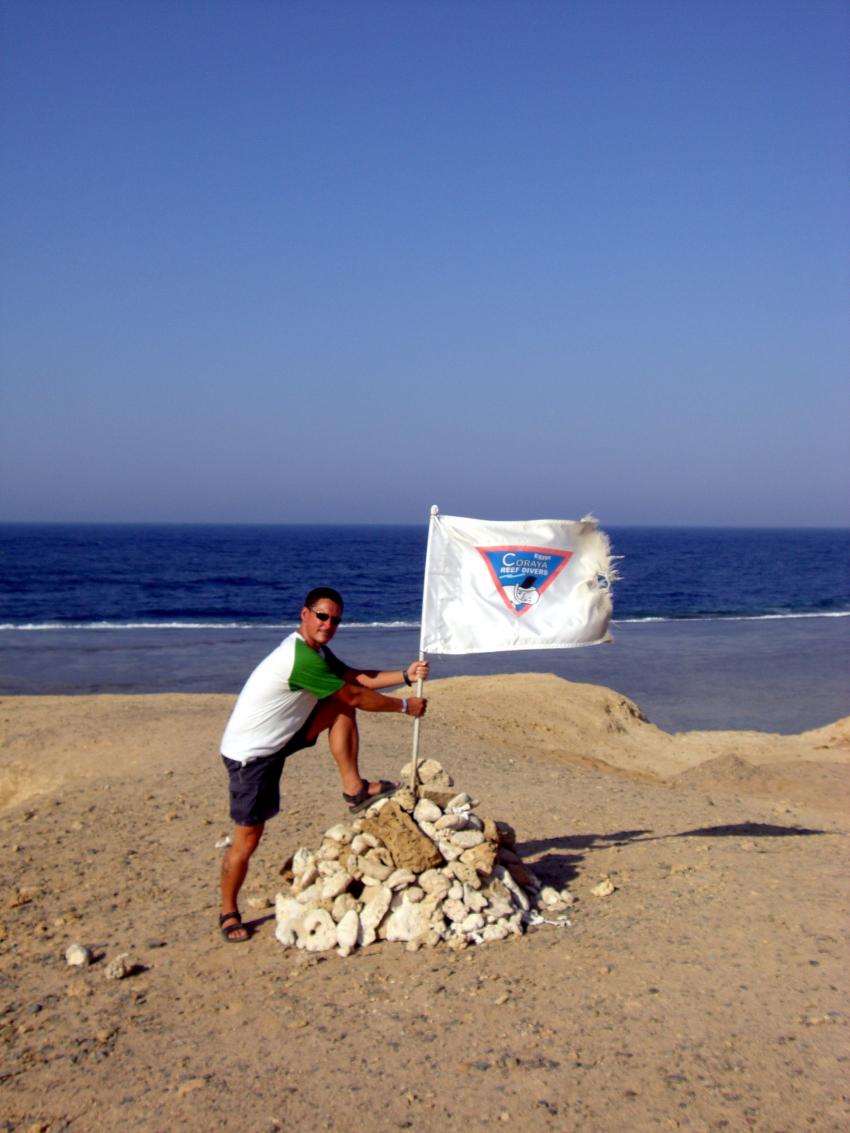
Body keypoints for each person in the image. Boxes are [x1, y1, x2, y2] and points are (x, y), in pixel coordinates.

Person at [218, 586, 429, 943]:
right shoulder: (300, 658)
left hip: (282, 738)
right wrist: (405, 707)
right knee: (248, 839)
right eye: (322, 616)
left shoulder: (316, 651)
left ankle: (354, 787)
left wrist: (405, 676)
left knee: (338, 706)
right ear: (305, 614)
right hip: (252, 756)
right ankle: (228, 911)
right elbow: (357, 695)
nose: (329, 624)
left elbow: (354, 678)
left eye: (335, 619)